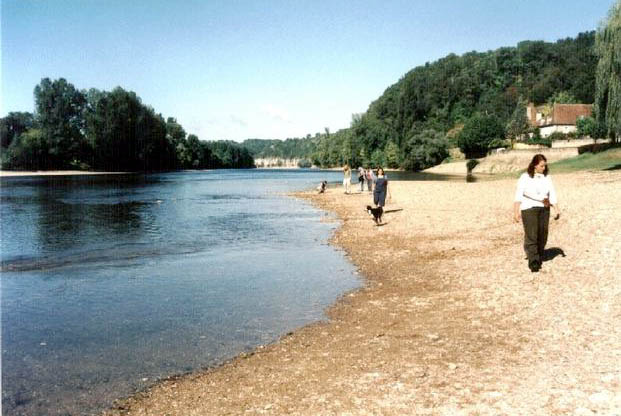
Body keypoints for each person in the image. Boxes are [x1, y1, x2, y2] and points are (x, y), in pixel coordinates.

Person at [513, 154, 561, 272]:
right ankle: (533, 261)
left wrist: (556, 208)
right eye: (541, 166)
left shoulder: (547, 178)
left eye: (545, 166)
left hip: (544, 208)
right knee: (532, 234)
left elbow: (552, 193)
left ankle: (538, 253)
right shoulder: (525, 177)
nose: (543, 168)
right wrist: (516, 211)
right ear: (534, 165)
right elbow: (518, 194)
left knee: (543, 234)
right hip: (529, 208)